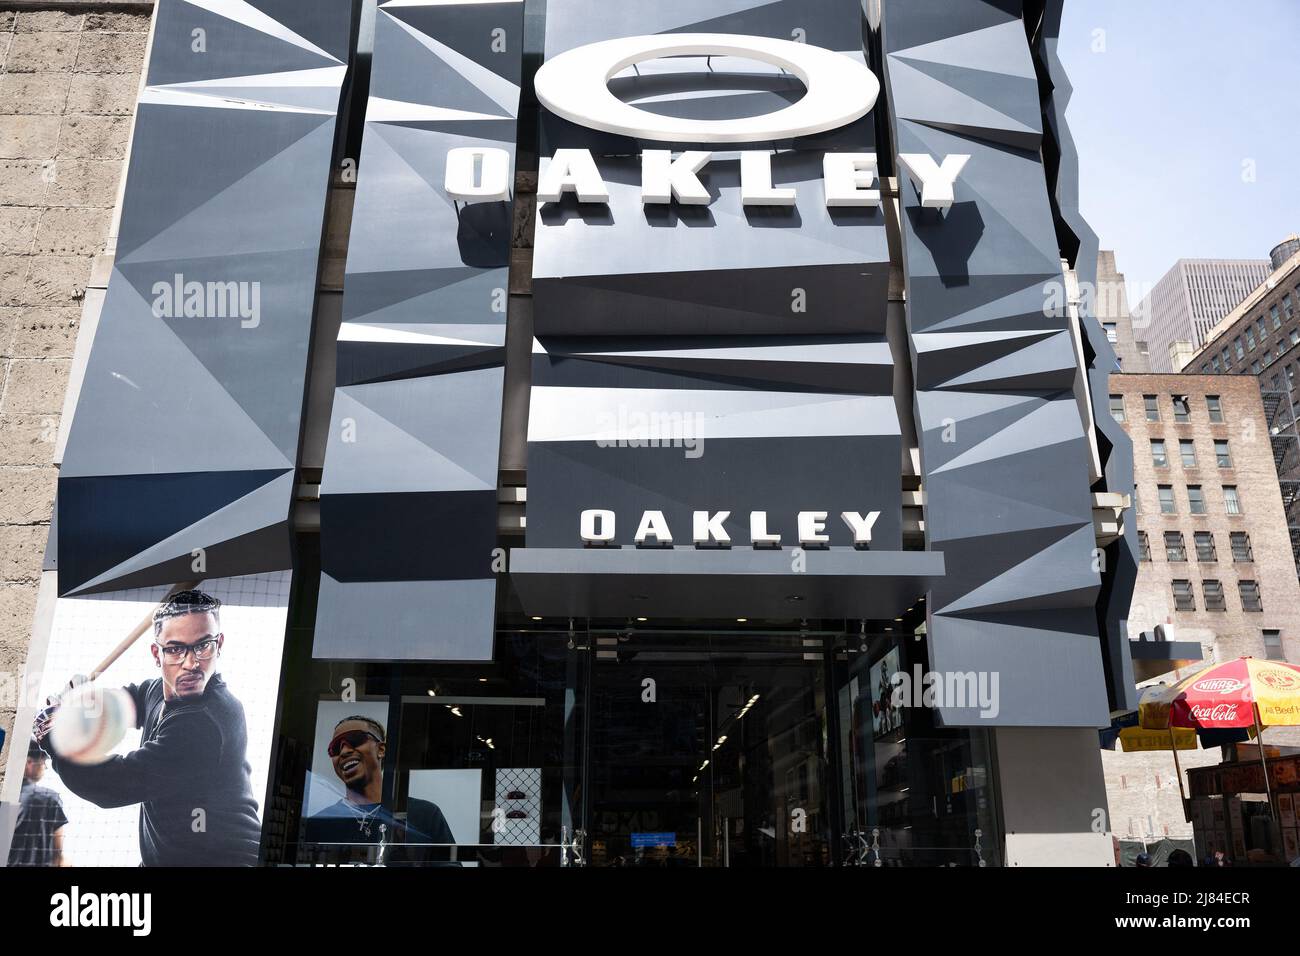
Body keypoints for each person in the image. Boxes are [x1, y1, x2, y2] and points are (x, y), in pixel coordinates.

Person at [36, 589, 262, 866]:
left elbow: (112, 784)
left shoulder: (203, 724)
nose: (191, 664)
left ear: (220, 644)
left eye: (203, 646)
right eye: (176, 649)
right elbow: (127, 702)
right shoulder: (160, 690)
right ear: (157, 653)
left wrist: (57, 740)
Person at [303, 715, 459, 865]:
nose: (344, 751)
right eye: (335, 748)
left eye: (355, 740)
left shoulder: (424, 814)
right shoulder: (320, 823)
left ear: (381, 749)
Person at [7, 740, 69, 866]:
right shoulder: (48, 798)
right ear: (28, 763)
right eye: (43, 761)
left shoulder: (6, 798)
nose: (45, 767)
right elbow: (58, 855)